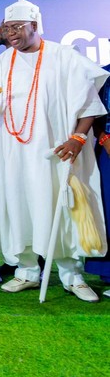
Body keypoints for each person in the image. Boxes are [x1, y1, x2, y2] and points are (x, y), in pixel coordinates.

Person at [0, 0, 109, 302]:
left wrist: (78, 138)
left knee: (64, 207)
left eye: (18, 27)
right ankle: (27, 271)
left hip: (56, 152)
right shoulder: (0, 63)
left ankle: (72, 275)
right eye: (7, 28)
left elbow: (90, 104)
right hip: (14, 153)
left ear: (34, 25)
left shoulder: (64, 57)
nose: (12, 33)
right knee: (21, 207)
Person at [85, 64, 110, 297]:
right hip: (108, 150)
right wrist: (104, 138)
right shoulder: (102, 75)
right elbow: (95, 112)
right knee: (109, 209)